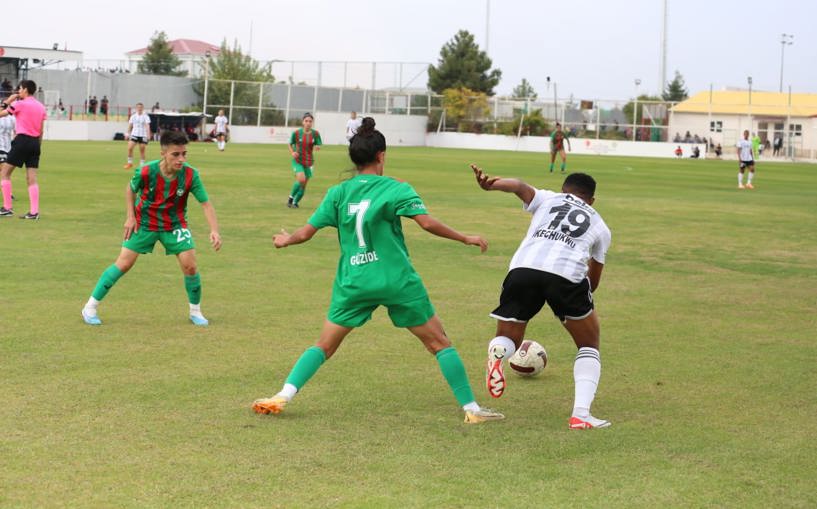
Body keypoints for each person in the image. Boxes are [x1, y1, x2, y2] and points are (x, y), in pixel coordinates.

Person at [252, 117, 503, 424]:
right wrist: (465, 237)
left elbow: (305, 233)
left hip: (354, 281)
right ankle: (472, 410)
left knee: (324, 345)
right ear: (382, 155)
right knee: (440, 344)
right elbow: (426, 222)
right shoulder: (396, 189)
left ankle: (282, 395)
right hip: (396, 280)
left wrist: (284, 240)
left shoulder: (338, 193)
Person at [470, 164, 612, 429]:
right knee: (589, 344)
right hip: (566, 275)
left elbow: (519, 186)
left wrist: (491, 184)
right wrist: (573, 305)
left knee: (509, 335)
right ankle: (581, 415)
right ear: (591, 200)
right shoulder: (600, 225)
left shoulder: (549, 198)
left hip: (522, 269)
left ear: (564, 190)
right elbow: (593, 281)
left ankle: (499, 352)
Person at [81, 131, 222, 326]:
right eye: (176, 154)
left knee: (190, 266)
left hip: (175, 225)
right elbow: (130, 189)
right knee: (123, 264)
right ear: (163, 153)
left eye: (184, 154)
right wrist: (130, 217)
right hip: (145, 222)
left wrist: (214, 230)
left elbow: (206, 204)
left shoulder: (191, 174)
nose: (181, 159)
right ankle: (90, 307)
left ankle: (195, 312)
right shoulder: (147, 171)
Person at [0, 80, 47, 220]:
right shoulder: (40, 107)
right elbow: (41, 130)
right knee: (31, 178)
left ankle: (7, 208)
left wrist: (8, 100)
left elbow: (1, 113)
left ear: (25, 89)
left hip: (22, 140)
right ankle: (34, 212)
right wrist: (38, 145)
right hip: (35, 142)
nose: (18, 91)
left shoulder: (19, 104)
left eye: (19, 89)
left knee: (4, 173)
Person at [287, 112, 322, 208]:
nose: (308, 123)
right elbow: (290, 144)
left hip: (309, 162)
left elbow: (318, 143)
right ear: (303, 122)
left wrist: (318, 146)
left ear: (312, 123)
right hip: (298, 161)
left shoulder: (315, 134)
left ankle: (295, 202)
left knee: (303, 185)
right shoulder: (297, 133)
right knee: (301, 179)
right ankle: (290, 198)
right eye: (306, 121)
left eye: (310, 121)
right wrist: (292, 152)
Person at [124, 102, 152, 169]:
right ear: (136, 108)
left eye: (141, 107)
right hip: (134, 134)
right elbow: (130, 126)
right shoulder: (133, 116)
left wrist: (148, 135)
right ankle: (129, 163)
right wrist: (127, 134)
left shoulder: (146, 117)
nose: (139, 108)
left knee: (142, 150)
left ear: (142, 108)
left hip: (143, 135)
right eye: (138, 107)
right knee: (130, 148)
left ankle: (142, 166)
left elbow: (147, 126)